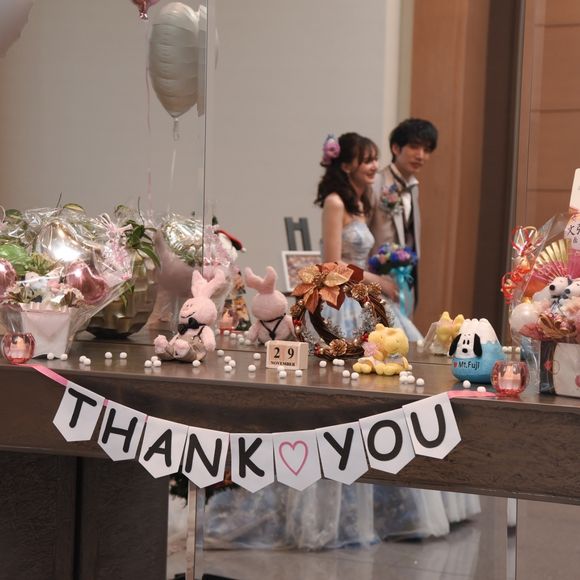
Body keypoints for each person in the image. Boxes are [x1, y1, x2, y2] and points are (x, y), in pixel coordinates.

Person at [315, 131, 422, 340]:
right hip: (343, 296)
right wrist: (379, 282)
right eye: (367, 161)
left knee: (405, 341)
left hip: (363, 290)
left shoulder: (361, 203)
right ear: (346, 166)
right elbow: (332, 264)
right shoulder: (335, 203)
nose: (374, 166)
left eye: (375, 159)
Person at [369, 118, 438, 314]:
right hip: (376, 281)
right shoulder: (376, 183)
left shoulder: (413, 187)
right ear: (396, 148)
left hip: (404, 281)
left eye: (426, 149)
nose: (421, 155)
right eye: (414, 147)